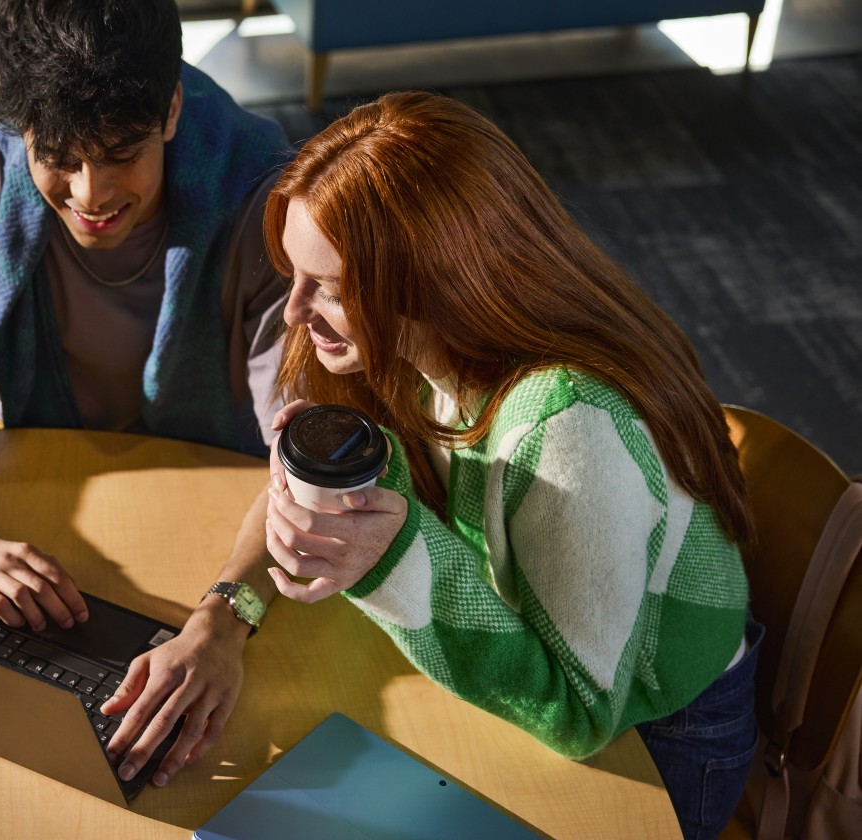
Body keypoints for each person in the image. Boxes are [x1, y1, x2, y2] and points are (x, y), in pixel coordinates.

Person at [260, 91, 759, 840]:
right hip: (533, 635)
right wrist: (358, 496)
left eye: (330, 287)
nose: (295, 312)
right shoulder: (418, 355)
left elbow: (582, 714)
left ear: (432, 274)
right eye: (293, 275)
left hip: (657, 736)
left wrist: (388, 559)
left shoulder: (572, 430)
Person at [0, 0, 291, 788]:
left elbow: (308, 464)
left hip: (237, 524)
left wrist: (225, 619)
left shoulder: (273, 205)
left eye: (119, 154)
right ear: (18, 133)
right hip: (66, 517)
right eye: (58, 158)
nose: (90, 194)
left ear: (170, 107)